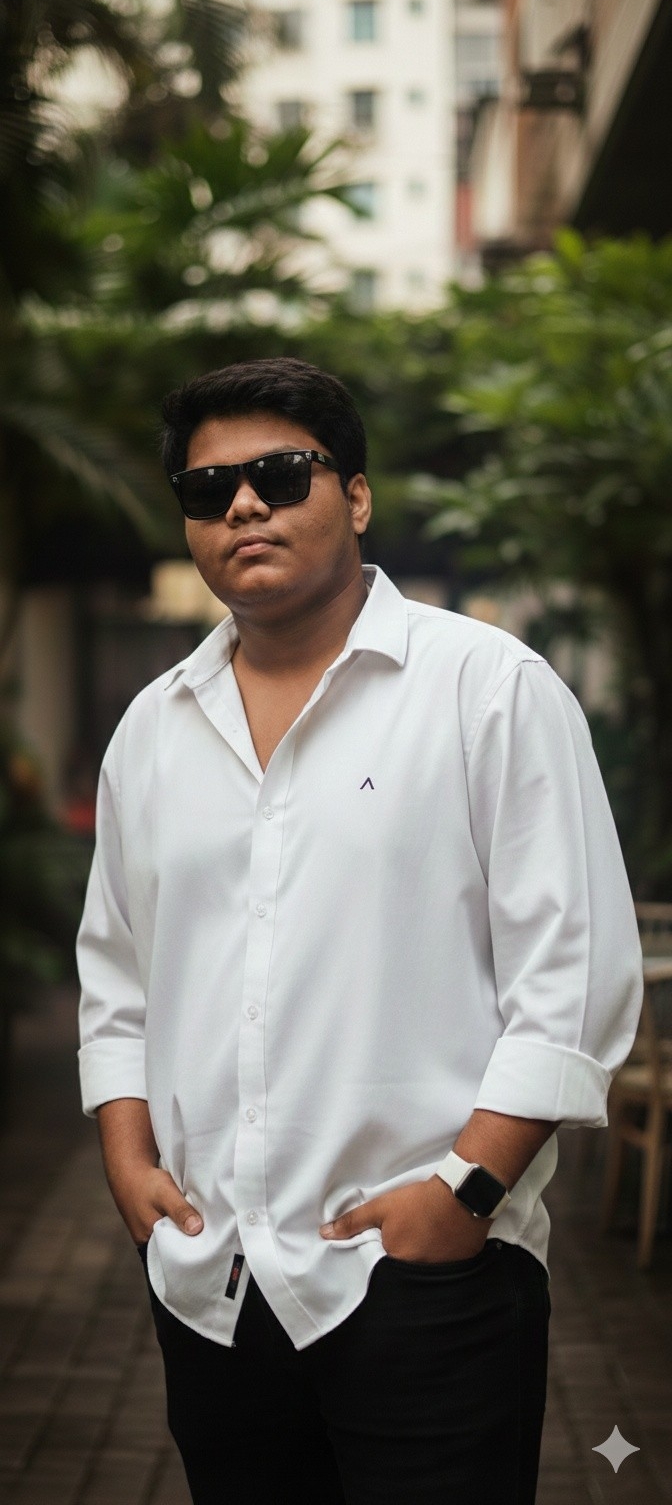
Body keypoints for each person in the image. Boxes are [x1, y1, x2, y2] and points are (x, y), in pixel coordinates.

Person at [77, 357, 642, 1505]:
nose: (244, 505)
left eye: (282, 475)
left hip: (429, 1274)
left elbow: (573, 977)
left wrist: (465, 1196)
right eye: (209, 489)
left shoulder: (489, 689)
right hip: (213, 1281)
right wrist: (129, 1163)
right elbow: (118, 972)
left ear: (358, 496)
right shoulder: (153, 728)